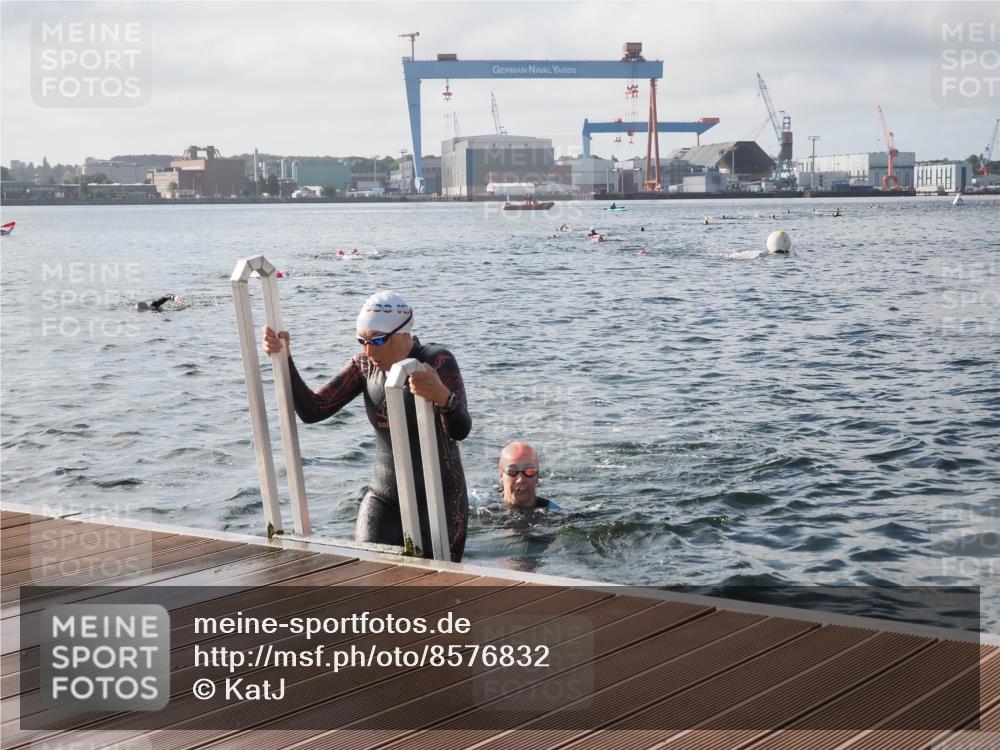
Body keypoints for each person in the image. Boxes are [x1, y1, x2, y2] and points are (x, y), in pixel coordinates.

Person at [261, 290, 471, 562]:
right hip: (385, 497)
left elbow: (460, 430)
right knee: (368, 569)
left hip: (441, 500)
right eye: (362, 341)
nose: (369, 350)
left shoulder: (436, 362)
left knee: (435, 583)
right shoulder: (364, 366)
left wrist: (442, 396)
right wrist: (284, 357)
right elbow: (313, 410)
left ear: (403, 334)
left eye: (378, 340)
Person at [498, 441, 551, 509]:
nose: (520, 480)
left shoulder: (555, 512)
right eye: (512, 471)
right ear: (501, 475)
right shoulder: (486, 507)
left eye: (529, 472)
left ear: (537, 476)